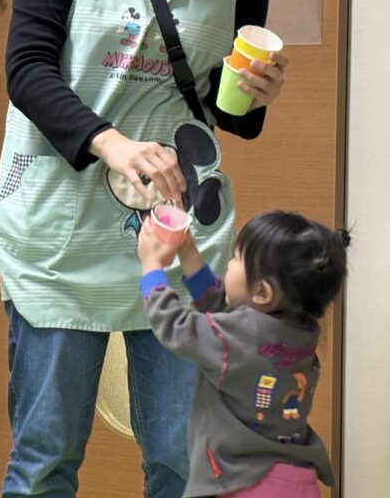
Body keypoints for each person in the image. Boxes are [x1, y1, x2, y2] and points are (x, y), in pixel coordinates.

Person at [0, 0, 289, 498]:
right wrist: (110, 142)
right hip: (61, 236)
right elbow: (26, 69)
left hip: (178, 243)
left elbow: (224, 112)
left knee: (184, 462)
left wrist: (256, 98)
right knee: (45, 461)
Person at [136, 211, 349, 497]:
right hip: (298, 479)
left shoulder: (233, 339)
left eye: (236, 257)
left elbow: (174, 325)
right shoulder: (301, 333)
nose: (229, 262)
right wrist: (188, 252)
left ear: (262, 293)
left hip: (245, 483)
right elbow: (222, 311)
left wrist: (151, 266)